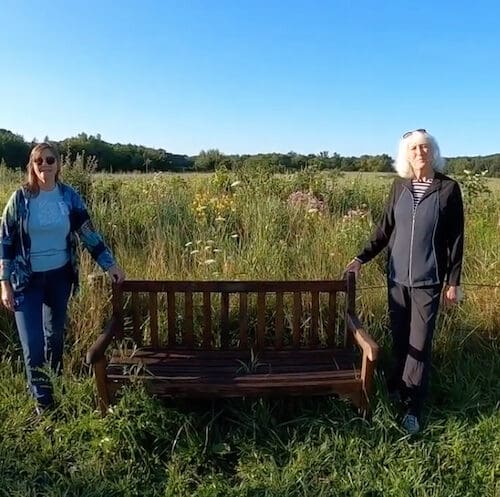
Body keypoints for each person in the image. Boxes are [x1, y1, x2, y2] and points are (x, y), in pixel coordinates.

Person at [345, 129, 464, 434]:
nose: (420, 153)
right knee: (400, 339)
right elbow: (384, 229)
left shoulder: (448, 189)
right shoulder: (399, 187)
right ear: (405, 154)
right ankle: (396, 388)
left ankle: (413, 406)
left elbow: (455, 239)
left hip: (429, 280)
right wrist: (361, 258)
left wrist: (453, 281)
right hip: (396, 279)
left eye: (425, 147)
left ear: (433, 152)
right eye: (413, 148)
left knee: (419, 343)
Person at [0, 142, 125, 415]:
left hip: (60, 277)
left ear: (58, 164)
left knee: (54, 338)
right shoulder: (20, 198)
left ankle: (52, 383)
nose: (44, 165)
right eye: (38, 161)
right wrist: (4, 283)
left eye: (50, 160)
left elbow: (88, 233)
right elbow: (5, 241)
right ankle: (44, 403)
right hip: (26, 280)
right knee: (32, 343)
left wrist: (110, 264)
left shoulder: (69, 197)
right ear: (32, 166)